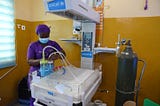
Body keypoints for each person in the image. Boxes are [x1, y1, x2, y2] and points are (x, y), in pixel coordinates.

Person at [27, 24, 65, 106]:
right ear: (38, 34)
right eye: (42, 36)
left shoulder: (53, 44)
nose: (45, 38)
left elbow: (64, 54)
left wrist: (57, 55)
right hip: (36, 74)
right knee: (35, 95)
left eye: (47, 35)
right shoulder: (33, 45)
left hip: (49, 73)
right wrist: (41, 61)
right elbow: (29, 61)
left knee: (48, 95)